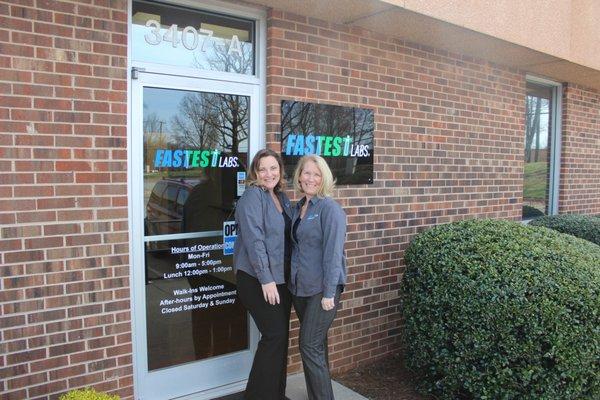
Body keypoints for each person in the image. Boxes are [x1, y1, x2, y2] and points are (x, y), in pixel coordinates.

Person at [234, 148, 293, 400]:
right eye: (262, 169)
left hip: (281, 280)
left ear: (280, 170)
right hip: (256, 279)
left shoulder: (282, 198)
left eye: (273, 168)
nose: (269, 174)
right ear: (255, 173)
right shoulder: (252, 196)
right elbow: (254, 240)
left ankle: (276, 395)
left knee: (281, 340)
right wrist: (266, 279)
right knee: (274, 335)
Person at [290, 155, 347, 400]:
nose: (310, 178)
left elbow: (334, 253)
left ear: (323, 178)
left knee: (309, 346)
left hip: (322, 290)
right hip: (301, 289)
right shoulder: (299, 207)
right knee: (317, 347)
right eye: (306, 173)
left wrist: (328, 293)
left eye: (316, 174)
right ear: (299, 176)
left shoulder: (330, 209)